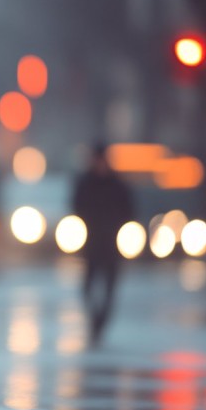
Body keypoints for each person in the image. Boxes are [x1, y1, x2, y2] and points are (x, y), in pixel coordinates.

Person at [72, 144, 134, 345]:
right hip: (92, 243)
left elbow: (129, 210)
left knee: (110, 288)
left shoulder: (117, 184)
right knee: (87, 286)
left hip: (111, 244)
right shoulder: (86, 182)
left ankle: (100, 322)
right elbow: (76, 205)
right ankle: (94, 319)